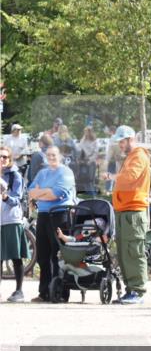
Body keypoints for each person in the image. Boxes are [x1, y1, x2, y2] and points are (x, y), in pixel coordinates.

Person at [105, 125, 151, 305]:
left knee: (134, 252)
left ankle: (137, 291)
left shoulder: (139, 155)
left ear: (131, 139)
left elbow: (129, 177)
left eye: (122, 141)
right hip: (126, 211)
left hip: (133, 212)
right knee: (125, 253)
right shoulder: (132, 156)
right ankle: (130, 290)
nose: (120, 145)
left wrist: (112, 176)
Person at [26, 146, 75, 302]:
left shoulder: (65, 172)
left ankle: (60, 292)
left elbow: (57, 194)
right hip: (43, 215)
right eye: (48, 155)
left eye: (54, 155)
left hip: (60, 215)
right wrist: (45, 192)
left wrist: (41, 193)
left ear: (60, 156)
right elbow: (31, 191)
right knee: (43, 255)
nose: (51, 157)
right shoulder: (42, 173)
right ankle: (44, 292)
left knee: (57, 254)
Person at [2, 146, 30, 302]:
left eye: (5, 157)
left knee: (16, 256)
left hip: (12, 220)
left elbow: (17, 199)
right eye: (0, 156)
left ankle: (19, 291)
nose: (2, 159)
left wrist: (5, 197)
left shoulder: (15, 176)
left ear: (10, 159)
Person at [76, 126, 99, 196]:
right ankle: (88, 195)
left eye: (87, 132)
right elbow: (79, 148)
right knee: (84, 179)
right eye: (85, 132)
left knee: (90, 181)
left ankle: (93, 195)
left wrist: (90, 160)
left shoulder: (95, 141)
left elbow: (96, 153)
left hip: (91, 163)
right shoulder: (83, 140)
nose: (85, 133)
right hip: (83, 163)